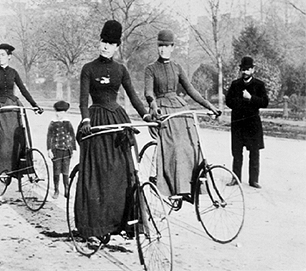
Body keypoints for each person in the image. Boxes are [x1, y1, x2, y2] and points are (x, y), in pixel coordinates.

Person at [76, 20, 152, 239]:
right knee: (100, 173)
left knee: (123, 172)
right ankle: (99, 226)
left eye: (110, 43)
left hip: (118, 120)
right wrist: (85, 120)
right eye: (103, 41)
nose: (105, 46)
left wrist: (146, 115)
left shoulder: (121, 70)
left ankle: (123, 223)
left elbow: (134, 96)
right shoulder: (88, 69)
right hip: (97, 120)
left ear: (117, 46)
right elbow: (82, 101)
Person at [144, 29, 220, 200]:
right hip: (162, 110)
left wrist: (209, 105)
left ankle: (191, 187)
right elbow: (149, 92)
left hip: (179, 108)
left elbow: (191, 89)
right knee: (175, 147)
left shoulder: (177, 67)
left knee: (193, 144)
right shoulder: (150, 69)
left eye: (167, 46)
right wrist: (153, 105)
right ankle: (174, 188)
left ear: (172, 47)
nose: (163, 49)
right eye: (160, 46)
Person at [0, 43, 43, 189]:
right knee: (2, 140)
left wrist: (35, 105)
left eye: (3, 55)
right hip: (0, 108)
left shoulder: (13, 72)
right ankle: (2, 170)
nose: (0, 58)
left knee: (16, 139)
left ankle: (16, 169)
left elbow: (23, 90)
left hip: (13, 108)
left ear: (9, 57)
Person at [226, 56, 269, 189]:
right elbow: (229, 101)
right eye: (243, 69)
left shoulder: (259, 85)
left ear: (253, 70)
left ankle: (254, 180)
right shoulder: (235, 84)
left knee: (254, 153)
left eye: (248, 69)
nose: (245, 72)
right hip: (238, 124)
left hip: (253, 125)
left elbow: (264, 102)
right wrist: (241, 101)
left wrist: (251, 98)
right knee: (237, 152)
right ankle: (236, 178)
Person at [46, 100, 77, 199]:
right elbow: (49, 137)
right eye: (57, 112)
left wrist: (74, 149)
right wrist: (49, 150)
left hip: (67, 150)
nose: (59, 114)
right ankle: (56, 190)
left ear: (65, 112)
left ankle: (67, 190)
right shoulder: (53, 123)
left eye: (61, 112)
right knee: (56, 171)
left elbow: (72, 136)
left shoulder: (68, 123)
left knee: (66, 172)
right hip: (56, 151)